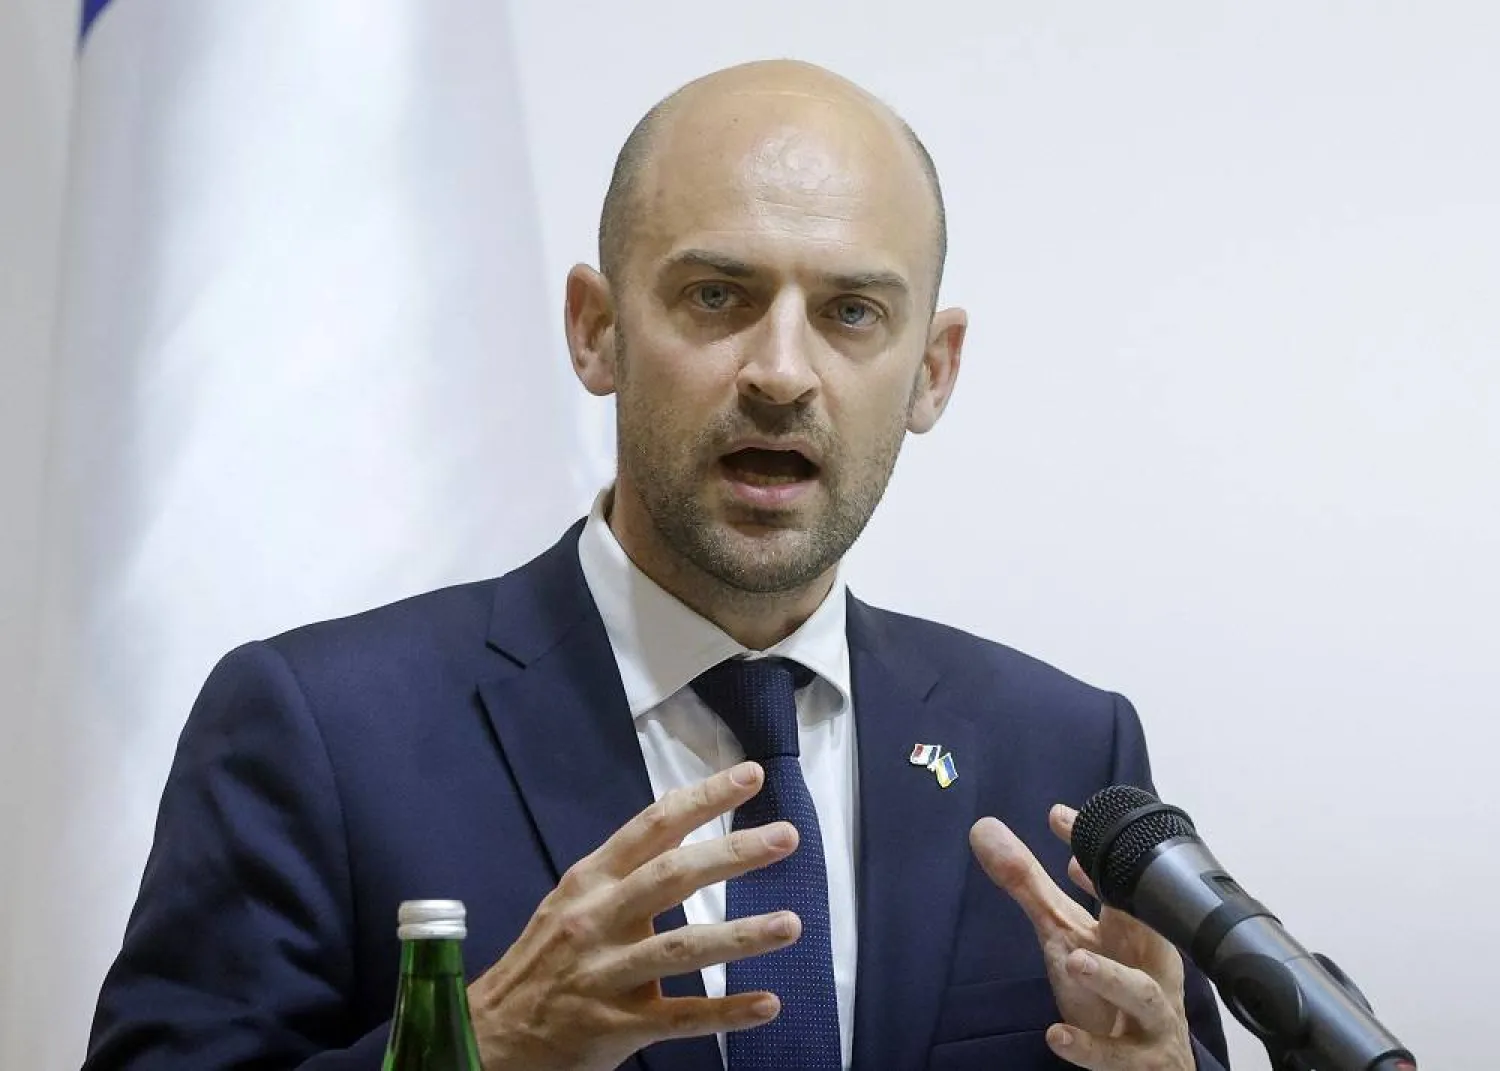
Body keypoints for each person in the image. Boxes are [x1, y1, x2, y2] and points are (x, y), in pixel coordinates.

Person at [84, 60, 1230, 1071]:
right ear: (597, 330)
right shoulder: (321, 732)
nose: (781, 372)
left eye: (851, 312)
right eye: (717, 296)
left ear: (934, 369)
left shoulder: (1063, 754)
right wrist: (489, 1051)